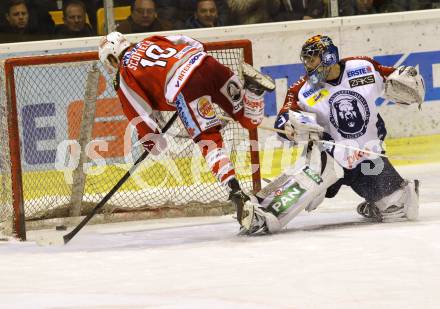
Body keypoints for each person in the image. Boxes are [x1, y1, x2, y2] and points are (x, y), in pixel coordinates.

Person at [240, 34, 425, 235]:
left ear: (328, 57)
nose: (308, 65)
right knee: (313, 181)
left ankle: (377, 203)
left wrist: (406, 80)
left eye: (312, 59)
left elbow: (393, 77)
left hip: (367, 158)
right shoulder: (302, 90)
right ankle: (264, 212)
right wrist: (289, 127)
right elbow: (284, 117)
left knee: (402, 210)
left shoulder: (363, 67)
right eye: (306, 60)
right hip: (330, 158)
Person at [98, 32, 275, 228]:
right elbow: (192, 42)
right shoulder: (150, 40)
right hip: (207, 64)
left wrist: (152, 142)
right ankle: (254, 89)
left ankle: (237, 194)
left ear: (113, 57)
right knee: (248, 119)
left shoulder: (124, 74)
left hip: (186, 87)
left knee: (209, 140)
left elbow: (141, 118)